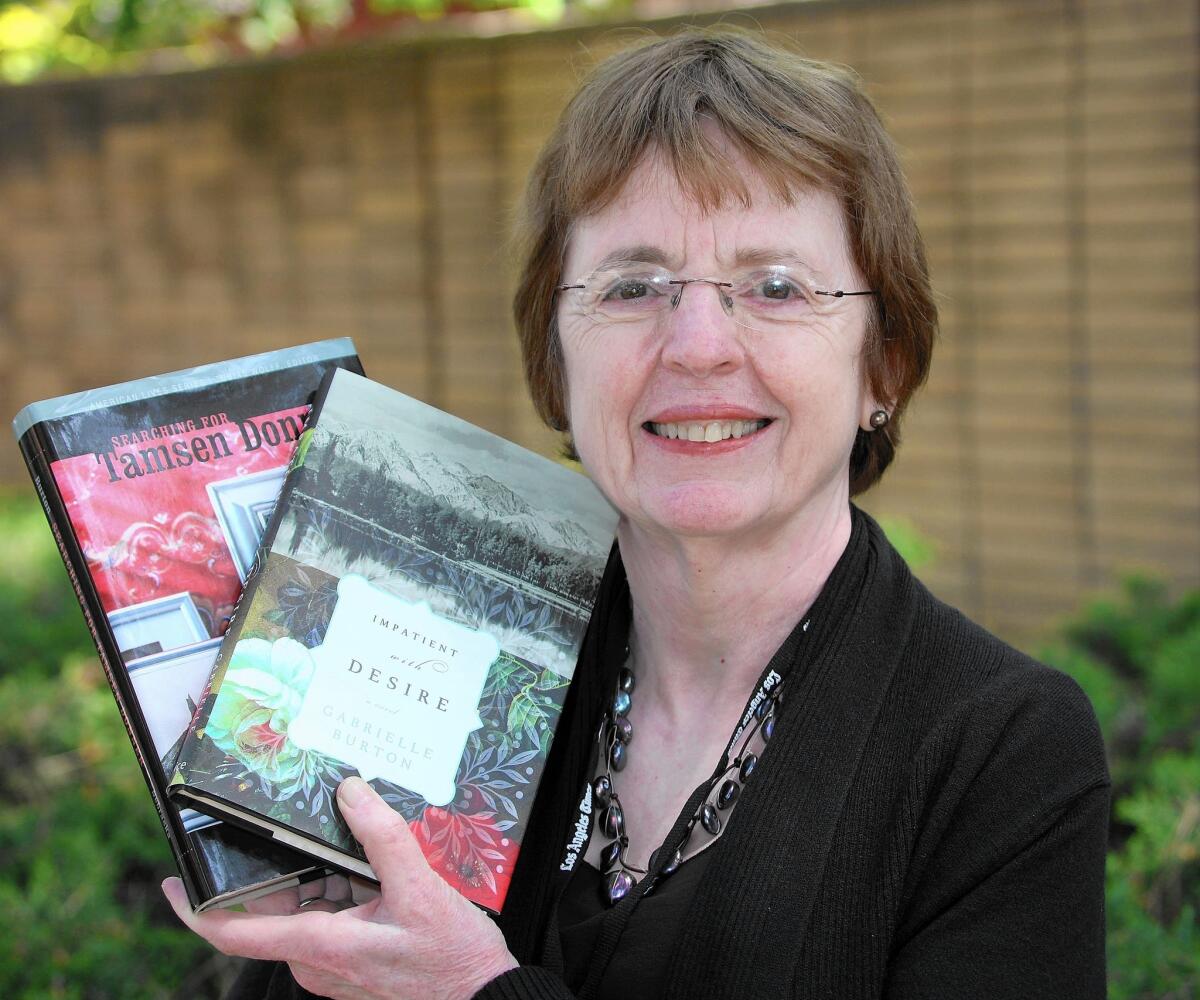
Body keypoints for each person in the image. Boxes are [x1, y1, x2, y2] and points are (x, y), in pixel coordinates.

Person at [165, 28, 1110, 999]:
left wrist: (475, 992)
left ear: (885, 364)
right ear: (556, 361)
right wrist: (302, 894)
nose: (698, 343)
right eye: (633, 286)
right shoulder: (447, 652)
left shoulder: (998, 752)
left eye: (776, 286)